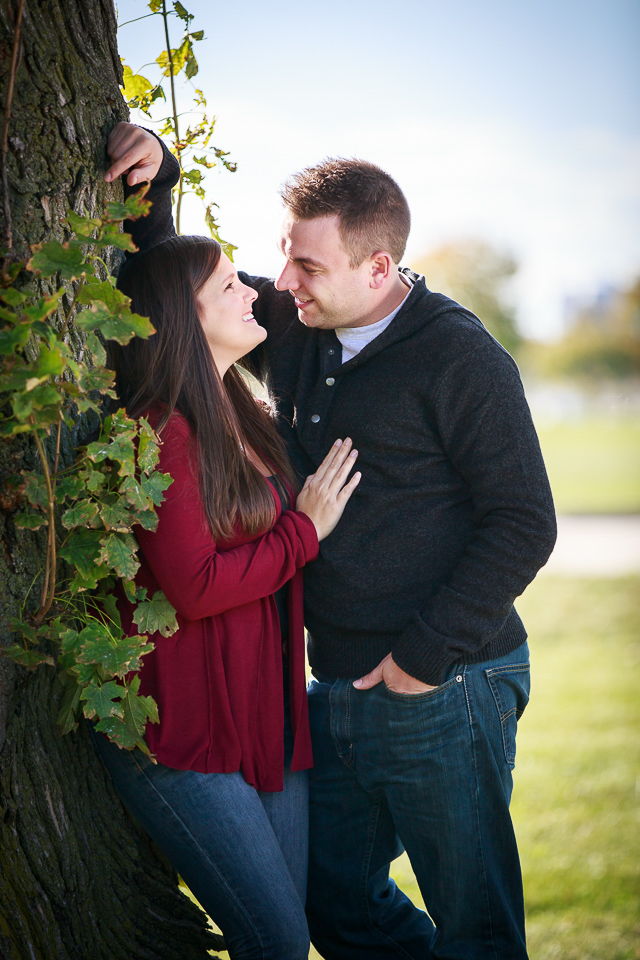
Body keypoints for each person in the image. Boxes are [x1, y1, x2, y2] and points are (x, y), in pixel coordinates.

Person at [106, 124, 557, 959]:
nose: (281, 283)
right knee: (334, 906)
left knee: (478, 925)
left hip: (446, 681)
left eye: (306, 267)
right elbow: (182, 298)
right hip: (332, 689)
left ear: (378, 268)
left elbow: (525, 522)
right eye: (285, 258)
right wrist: (156, 180)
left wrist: (422, 659)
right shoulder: (299, 318)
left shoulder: (462, 359)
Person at [92, 125, 361, 960]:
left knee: (288, 941)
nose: (252, 294)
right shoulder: (159, 432)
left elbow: (183, 274)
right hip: (187, 734)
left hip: (267, 722)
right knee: (275, 943)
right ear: (182, 321)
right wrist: (303, 533)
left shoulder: (245, 412)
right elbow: (196, 584)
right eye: (227, 290)